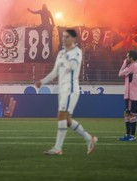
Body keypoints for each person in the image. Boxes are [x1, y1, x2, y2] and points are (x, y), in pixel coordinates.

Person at [35, 28, 97, 156]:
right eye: (63, 36)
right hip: (62, 90)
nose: (64, 39)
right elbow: (54, 72)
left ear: (74, 39)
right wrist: (42, 81)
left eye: (67, 37)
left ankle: (58, 148)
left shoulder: (77, 52)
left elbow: (73, 67)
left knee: (61, 115)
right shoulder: (61, 54)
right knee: (67, 120)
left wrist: (66, 57)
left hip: (70, 89)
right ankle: (89, 139)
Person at [118, 50, 137, 141]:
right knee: (127, 114)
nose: (126, 59)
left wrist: (124, 63)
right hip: (129, 94)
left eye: (127, 57)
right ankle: (128, 134)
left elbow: (120, 73)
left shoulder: (133, 66)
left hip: (132, 95)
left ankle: (132, 135)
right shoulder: (134, 66)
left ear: (131, 58)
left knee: (132, 115)